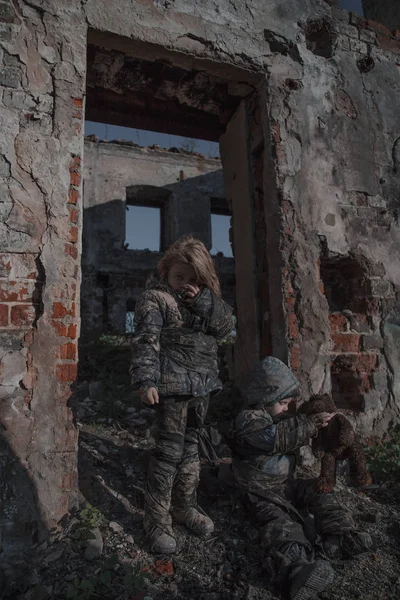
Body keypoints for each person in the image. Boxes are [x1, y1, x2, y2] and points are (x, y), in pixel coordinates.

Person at [231, 356, 376, 600]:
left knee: (321, 492)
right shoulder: (248, 420)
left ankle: (340, 536)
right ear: (264, 398)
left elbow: (294, 428)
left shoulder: (280, 418)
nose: (287, 408)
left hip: (286, 484)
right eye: (283, 402)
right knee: (282, 524)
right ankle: (296, 568)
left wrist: (322, 425)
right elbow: (274, 437)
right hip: (260, 492)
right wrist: (307, 425)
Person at [130, 235, 234, 554]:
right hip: (172, 383)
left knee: (192, 448)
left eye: (193, 278)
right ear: (166, 271)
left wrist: (203, 299)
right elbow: (146, 339)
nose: (184, 284)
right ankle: (156, 520)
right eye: (179, 276)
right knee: (168, 451)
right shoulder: (156, 298)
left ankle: (184, 506)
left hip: (201, 386)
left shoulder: (205, 302)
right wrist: (146, 379)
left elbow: (228, 327)